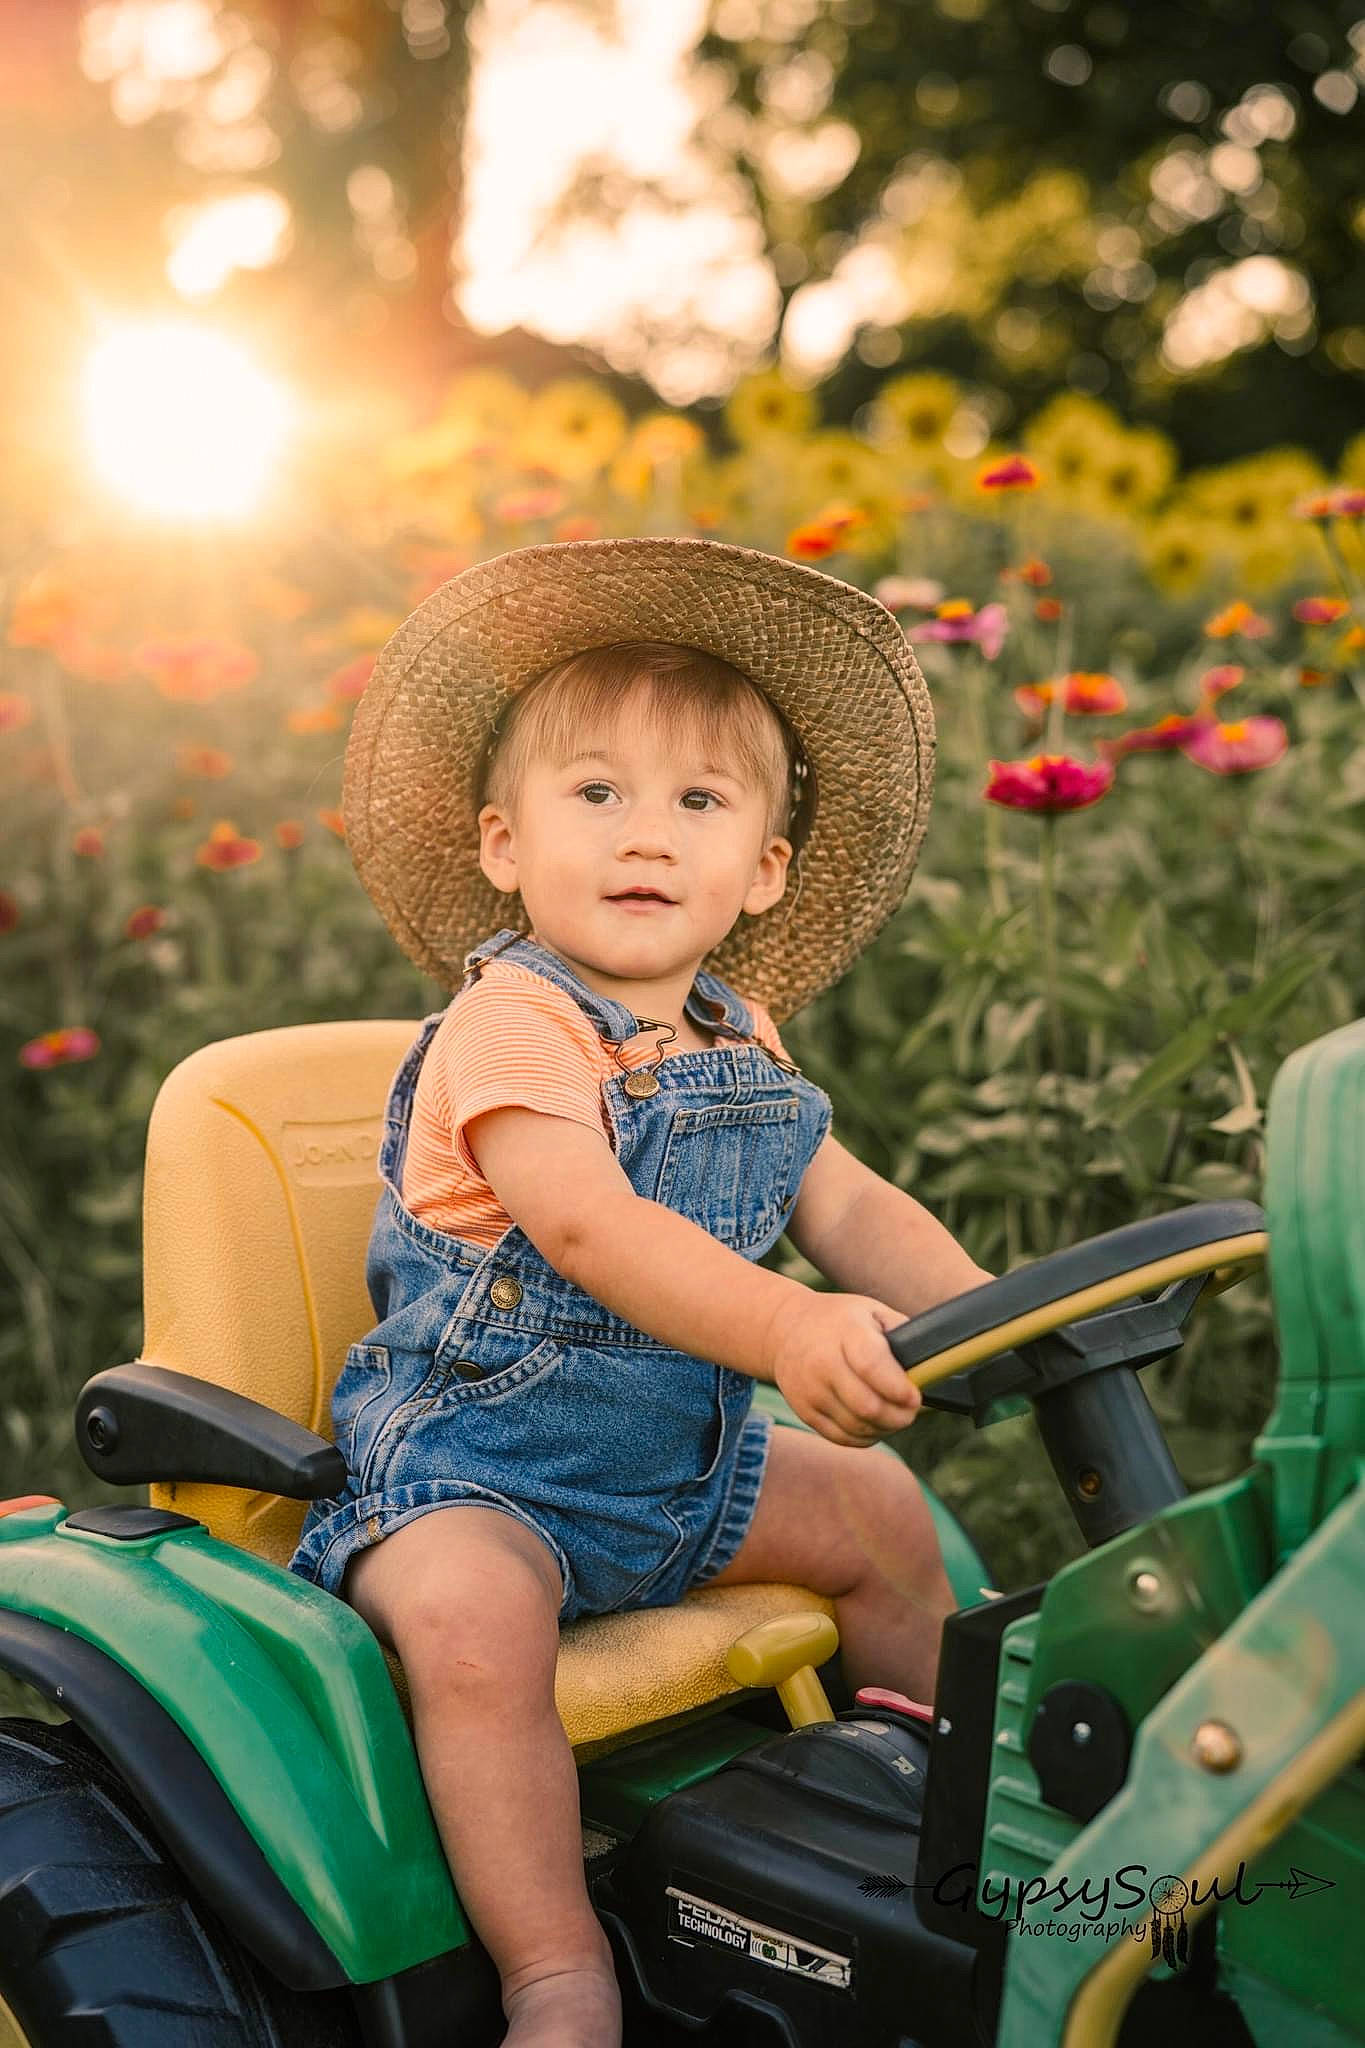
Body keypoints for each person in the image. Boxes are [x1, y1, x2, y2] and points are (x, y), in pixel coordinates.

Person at [290, 536, 994, 2047]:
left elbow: (847, 1201)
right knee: (471, 1629)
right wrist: (795, 1325)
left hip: (676, 1475)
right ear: (502, 844)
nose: (644, 835)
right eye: (594, 793)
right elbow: (596, 1233)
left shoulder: (741, 1043)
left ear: (763, 872)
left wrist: (991, 1315)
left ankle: (964, 1822)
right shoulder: (513, 1028)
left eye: (698, 801)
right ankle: (557, 1971)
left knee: (880, 1518)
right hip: (480, 1474)